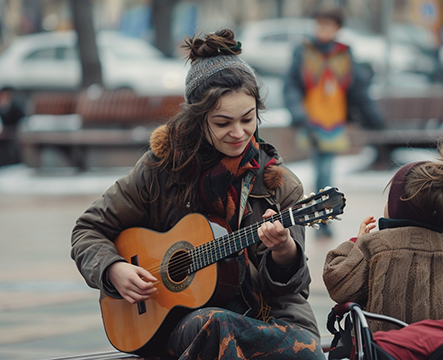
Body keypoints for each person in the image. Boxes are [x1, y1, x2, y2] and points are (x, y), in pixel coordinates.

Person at [71, 29, 325, 360]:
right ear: (198, 119)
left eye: (248, 119)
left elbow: (293, 289)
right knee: (213, 327)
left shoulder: (280, 184)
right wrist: (113, 270)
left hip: (270, 321)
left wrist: (284, 250)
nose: (238, 133)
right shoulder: (161, 170)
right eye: (222, 123)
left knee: (304, 351)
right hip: (180, 323)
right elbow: (88, 229)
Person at [322, 138, 443, 332]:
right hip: (436, 348)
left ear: (398, 205)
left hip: (385, 349)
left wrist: (355, 243)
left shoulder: (374, 245)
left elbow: (338, 283)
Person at [283, 5, 385, 240]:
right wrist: (298, 114)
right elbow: (291, 87)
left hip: (334, 122)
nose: (323, 29)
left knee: (325, 170)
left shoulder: (344, 55)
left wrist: (375, 120)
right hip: (311, 121)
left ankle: (320, 217)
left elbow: (358, 90)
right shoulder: (304, 53)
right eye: (320, 24)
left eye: (328, 25)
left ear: (337, 28)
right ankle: (321, 217)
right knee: (323, 170)